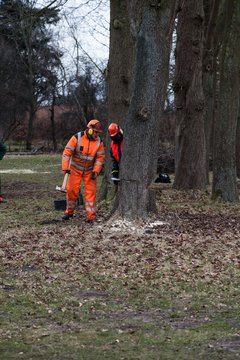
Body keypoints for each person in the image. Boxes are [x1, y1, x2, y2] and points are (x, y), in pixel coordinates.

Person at [62, 119, 105, 222]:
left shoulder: (99, 142)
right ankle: (69, 212)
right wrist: (65, 168)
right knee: (71, 191)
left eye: (98, 133)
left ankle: (91, 217)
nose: (96, 135)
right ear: (89, 130)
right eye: (96, 132)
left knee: (91, 193)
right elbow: (67, 152)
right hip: (74, 169)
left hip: (90, 171)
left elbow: (100, 158)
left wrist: (96, 171)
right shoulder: (77, 137)